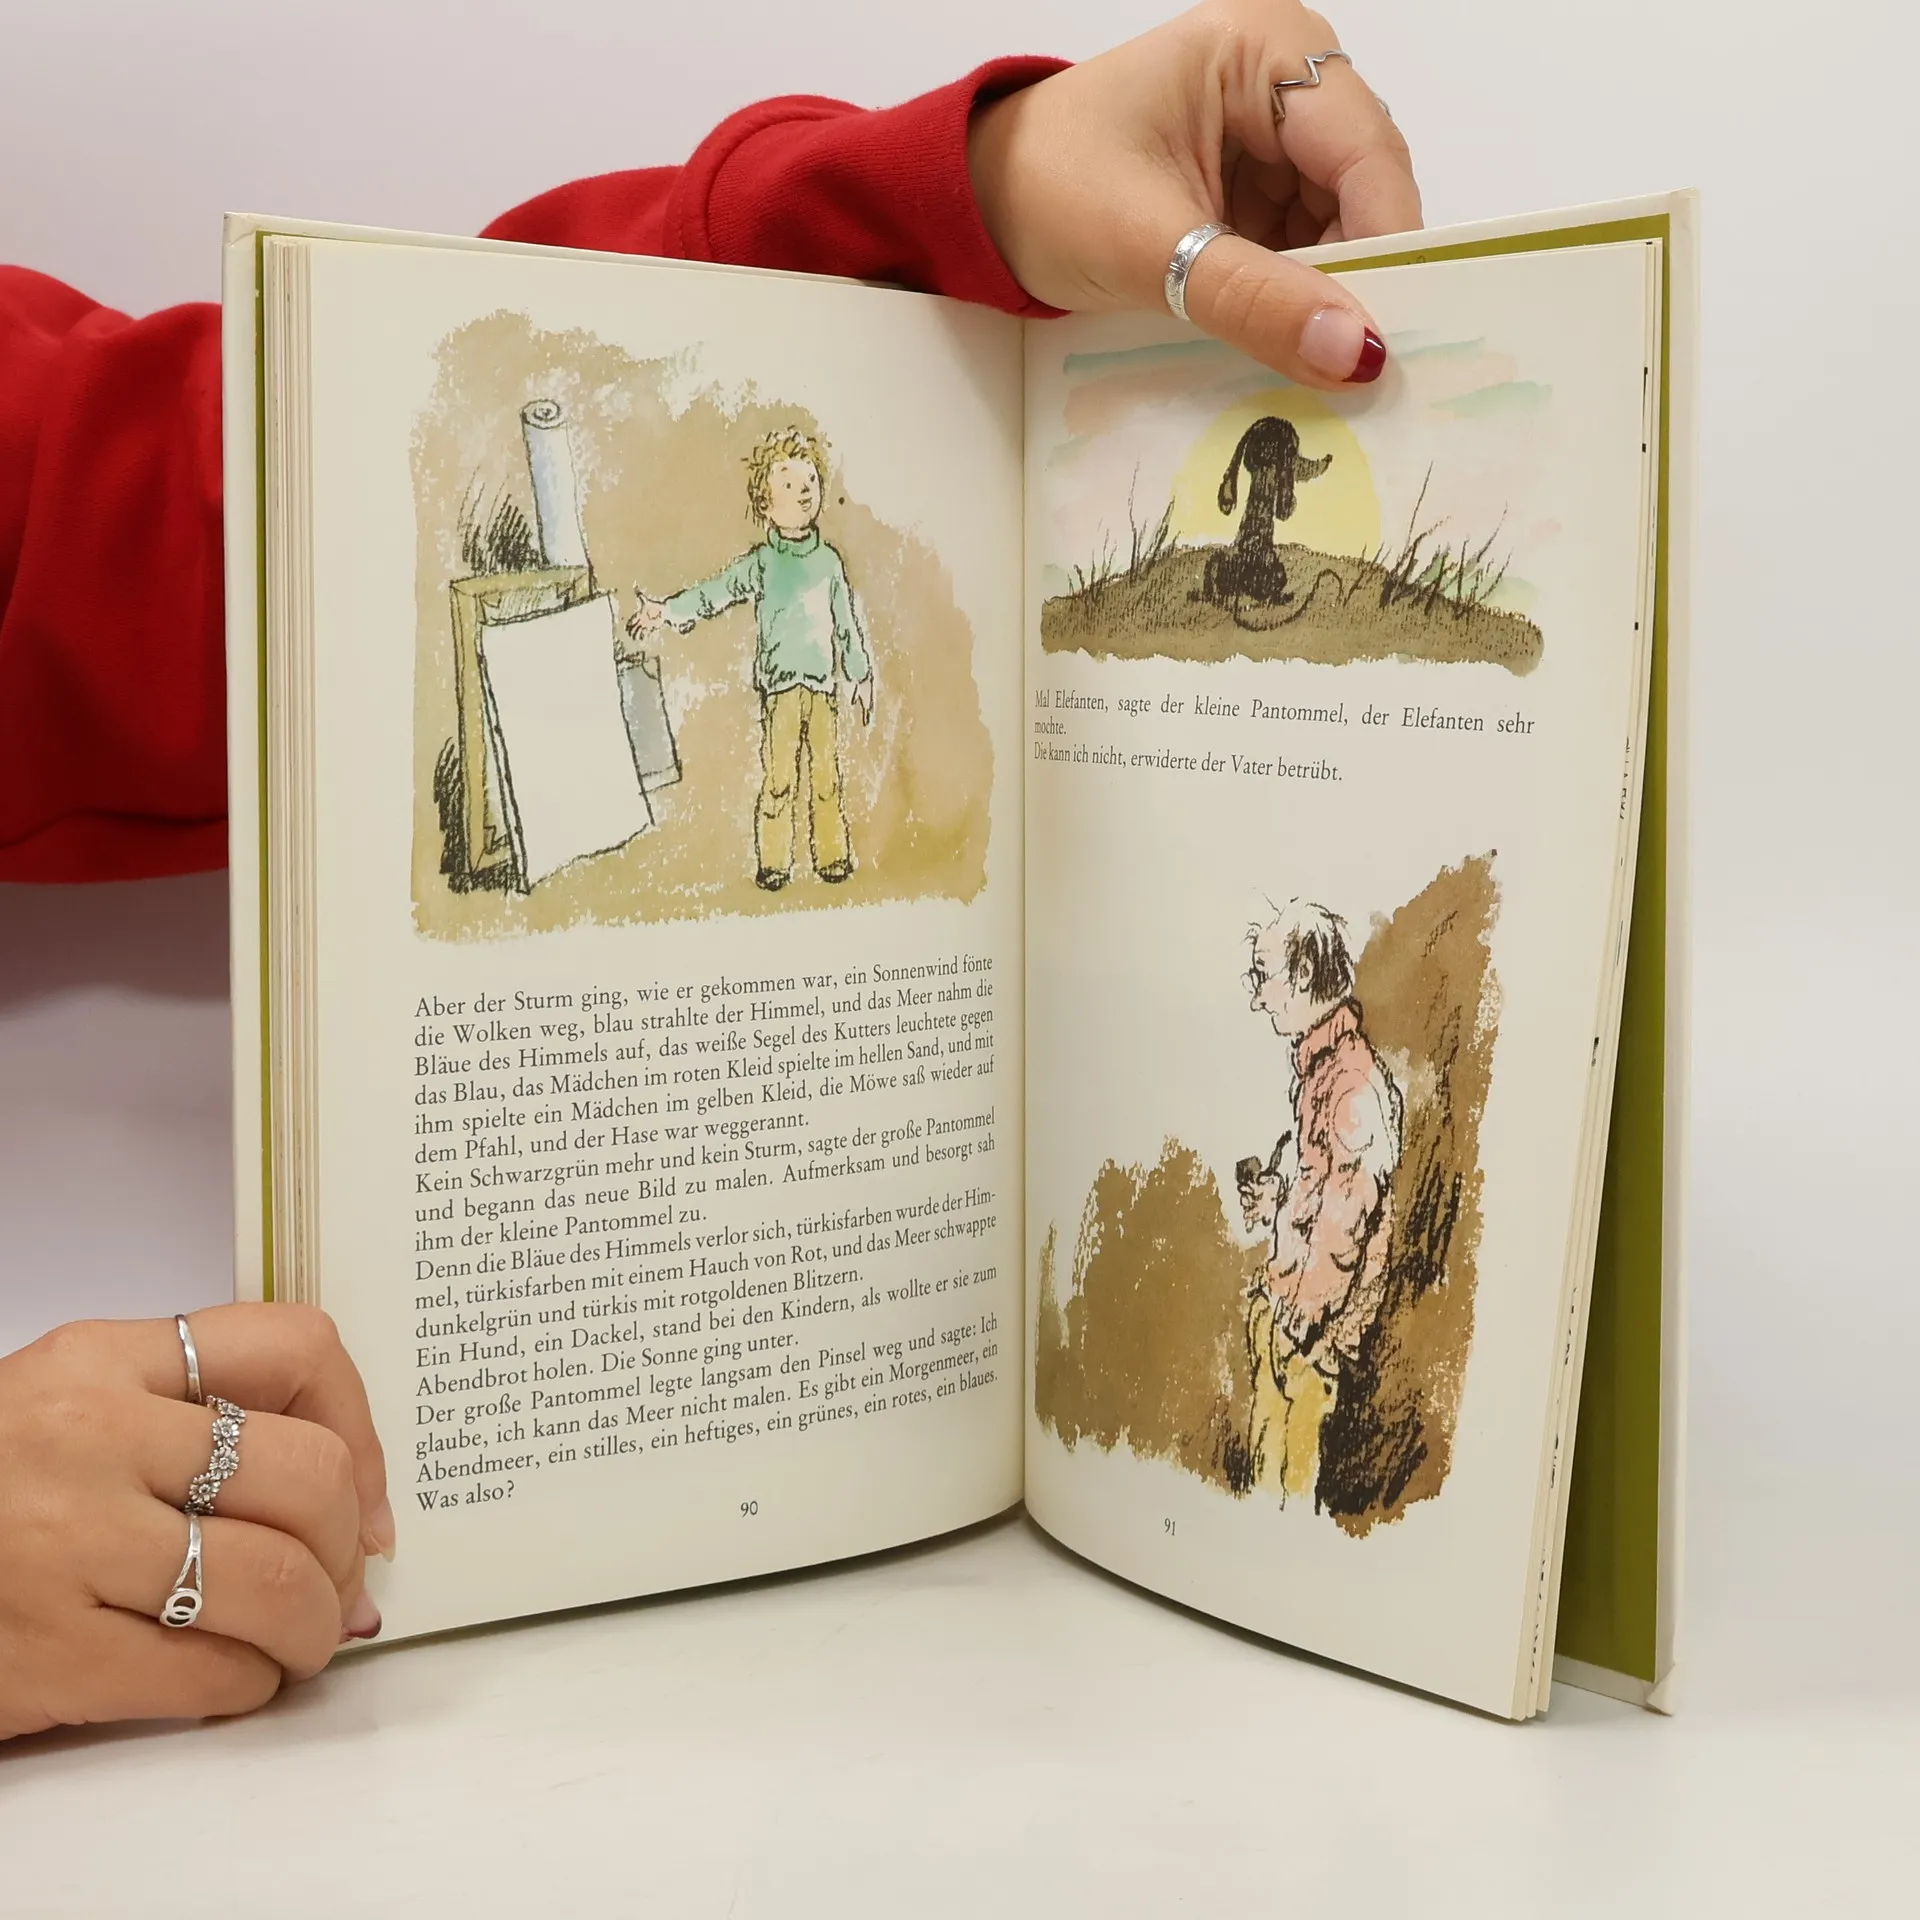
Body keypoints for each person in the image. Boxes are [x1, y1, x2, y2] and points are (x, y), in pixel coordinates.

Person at [0, 1, 1420, 1739]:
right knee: (787, 793)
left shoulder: (1345, 1085)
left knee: (816, 797)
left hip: (833, 706)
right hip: (776, 728)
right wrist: (684, 614)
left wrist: (950, 191)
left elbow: (149, 506)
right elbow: (716, 595)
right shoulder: (769, 564)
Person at [626, 427, 875, 890]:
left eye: (810, 480)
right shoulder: (762, 563)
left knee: (826, 779)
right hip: (779, 693)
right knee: (779, 781)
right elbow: (716, 592)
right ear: (765, 504)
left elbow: (846, 625)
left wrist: (860, 675)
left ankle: (833, 857)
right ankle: (774, 863)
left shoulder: (829, 563)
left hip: (823, 691)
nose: (803, 491)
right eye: (789, 483)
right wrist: (667, 611)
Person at [1240, 899, 1404, 1501]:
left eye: (1263, 976)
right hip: (1288, 1313)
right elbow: (1319, 1185)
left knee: (1287, 1489)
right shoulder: (1321, 1072)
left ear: (1304, 975)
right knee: (1267, 1476)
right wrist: (1276, 1198)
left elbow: (1350, 1213)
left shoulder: (1352, 1081)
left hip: (1311, 1336)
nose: (1258, 998)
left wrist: (1304, 1314)